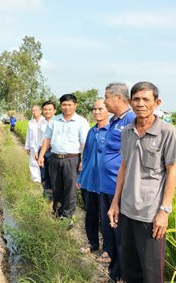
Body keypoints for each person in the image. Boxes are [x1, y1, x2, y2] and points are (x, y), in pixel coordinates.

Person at [108, 81, 176, 283]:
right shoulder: (127, 132)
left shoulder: (167, 132)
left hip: (151, 216)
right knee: (130, 270)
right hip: (127, 212)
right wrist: (115, 202)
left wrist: (164, 211)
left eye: (146, 99)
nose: (141, 104)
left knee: (151, 274)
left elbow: (172, 170)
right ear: (130, 102)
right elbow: (124, 166)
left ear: (156, 102)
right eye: (137, 99)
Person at [98, 82, 136, 282]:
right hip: (106, 186)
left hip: (117, 188)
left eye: (106, 97)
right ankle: (114, 271)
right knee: (109, 231)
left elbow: (127, 160)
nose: (104, 101)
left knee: (120, 234)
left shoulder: (131, 120)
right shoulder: (114, 120)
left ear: (118, 98)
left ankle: (121, 274)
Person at [38, 94, 89, 227]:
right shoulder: (54, 121)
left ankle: (67, 216)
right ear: (60, 106)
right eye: (64, 105)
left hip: (72, 159)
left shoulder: (81, 122)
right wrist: (42, 155)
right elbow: (47, 140)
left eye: (69, 105)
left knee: (70, 188)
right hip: (55, 158)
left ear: (75, 105)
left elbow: (84, 143)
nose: (66, 107)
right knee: (56, 187)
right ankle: (57, 212)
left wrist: (83, 160)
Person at [76, 99, 110, 254]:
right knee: (91, 214)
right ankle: (92, 243)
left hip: (106, 183)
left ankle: (108, 249)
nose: (96, 112)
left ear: (108, 110)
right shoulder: (91, 131)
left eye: (100, 109)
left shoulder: (113, 132)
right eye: (94, 109)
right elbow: (86, 156)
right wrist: (80, 177)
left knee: (107, 218)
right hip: (89, 181)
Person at [38, 100, 57, 197]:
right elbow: (38, 137)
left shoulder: (58, 122)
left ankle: (55, 197)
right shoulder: (41, 122)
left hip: (53, 151)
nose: (47, 111)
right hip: (42, 150)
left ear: (54, 111)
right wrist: (38, 151)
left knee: (53, 174)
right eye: (45, 109)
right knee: (43, 174)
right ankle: (46, 196)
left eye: (50, 109)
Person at [25, 105, 45, 183]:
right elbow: (28, 135)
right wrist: (27, 146)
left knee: (42, 163)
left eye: (36, 110)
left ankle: (43, 179)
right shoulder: (30, 122)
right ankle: (35, 179)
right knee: (33, 163)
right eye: (33, 110)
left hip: (42, 146)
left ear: (40, 111)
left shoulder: (44, 121)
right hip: (33, 146)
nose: (34, 112)